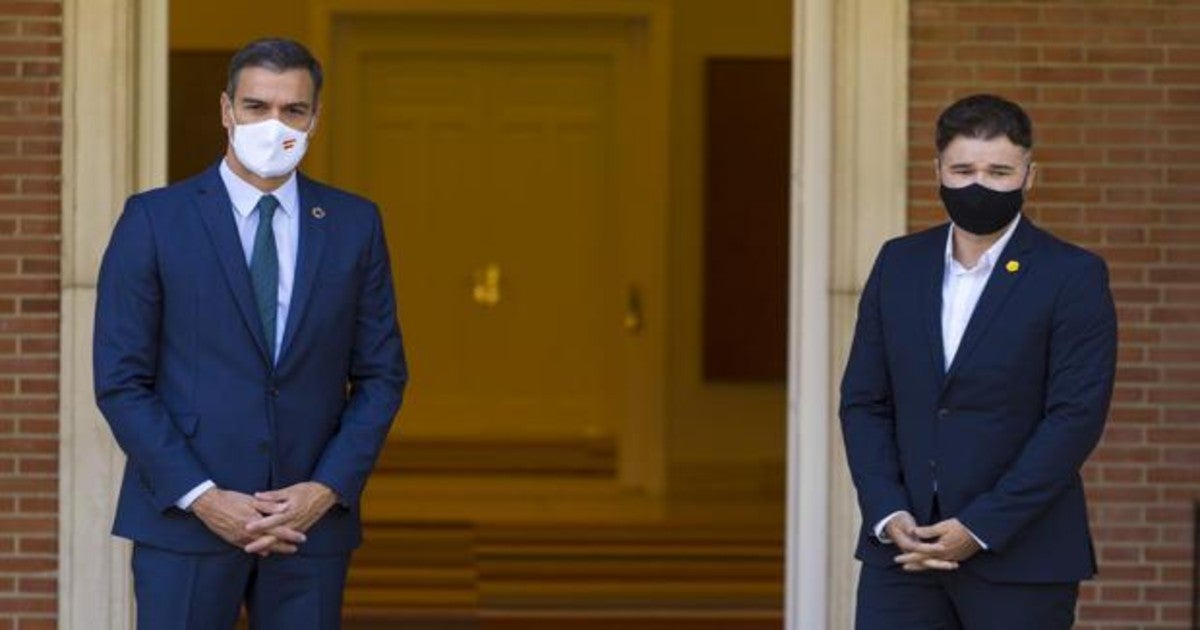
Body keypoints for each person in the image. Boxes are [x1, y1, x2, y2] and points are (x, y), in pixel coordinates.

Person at [93, 37, 407, 629]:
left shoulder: (354, 224)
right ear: (226, 109)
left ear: (315, 118)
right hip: (185, 522)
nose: (274, 124)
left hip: (308, 526)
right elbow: (120, 380)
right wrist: (204, 498)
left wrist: (326, 488)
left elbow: (382, 375)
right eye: (257, 106)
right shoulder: (154, 220)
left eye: (293, 110)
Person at [839, 93, 1117, 629]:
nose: (978, 186)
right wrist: (888, 510)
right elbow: (864, 401)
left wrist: (979, 527)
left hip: (1021, 557)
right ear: (937, 171)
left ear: (1029, 175)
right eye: (963, 170)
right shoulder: (898, 263)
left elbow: (1074, 418)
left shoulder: (1072, 275)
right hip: (903, 554)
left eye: (998, 172)